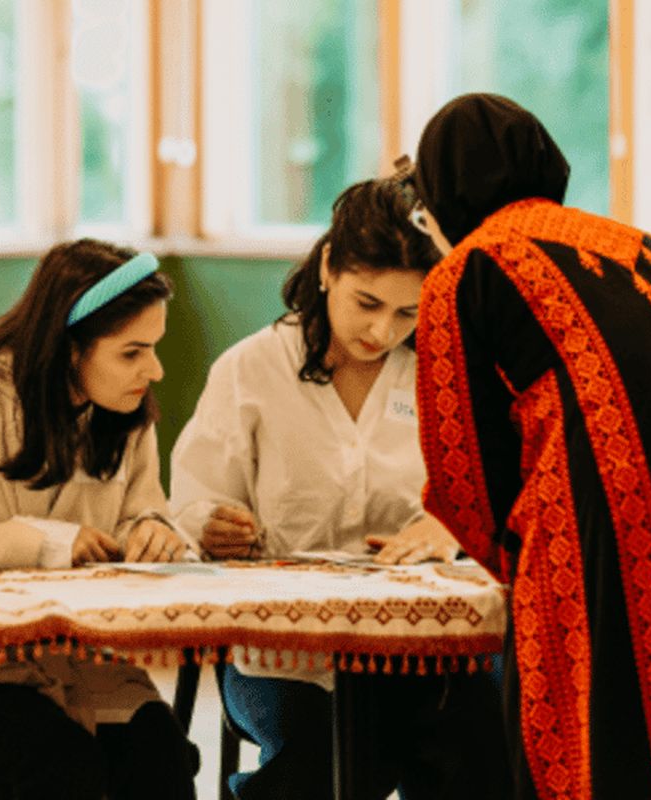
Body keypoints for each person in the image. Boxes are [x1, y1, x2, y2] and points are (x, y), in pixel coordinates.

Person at [411, 92, 651, 799]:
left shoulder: (467, 269)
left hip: (596, 517)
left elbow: (462, 467)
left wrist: (511, 559)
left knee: (589, 733)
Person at [169, 178, 508, 799]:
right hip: (282, 652)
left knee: (477, 738)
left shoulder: (442, 374)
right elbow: (188, 504)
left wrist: (448, 524)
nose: (383, 331)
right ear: (328, 267)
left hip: (419, 643)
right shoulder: (251, 371)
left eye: (409, 312)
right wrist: (207, 522)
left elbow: (490, 497)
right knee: (332, 752)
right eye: (367, 302)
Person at [0, 239, 198, 799]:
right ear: (71, 348)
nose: (154, 371)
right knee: (65, 770)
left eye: (155, 349)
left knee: (161, 759)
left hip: (79, 664)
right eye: (132, 352)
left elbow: (145, 510)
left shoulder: (125, 412)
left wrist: (153, 531)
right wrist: (40, 542)